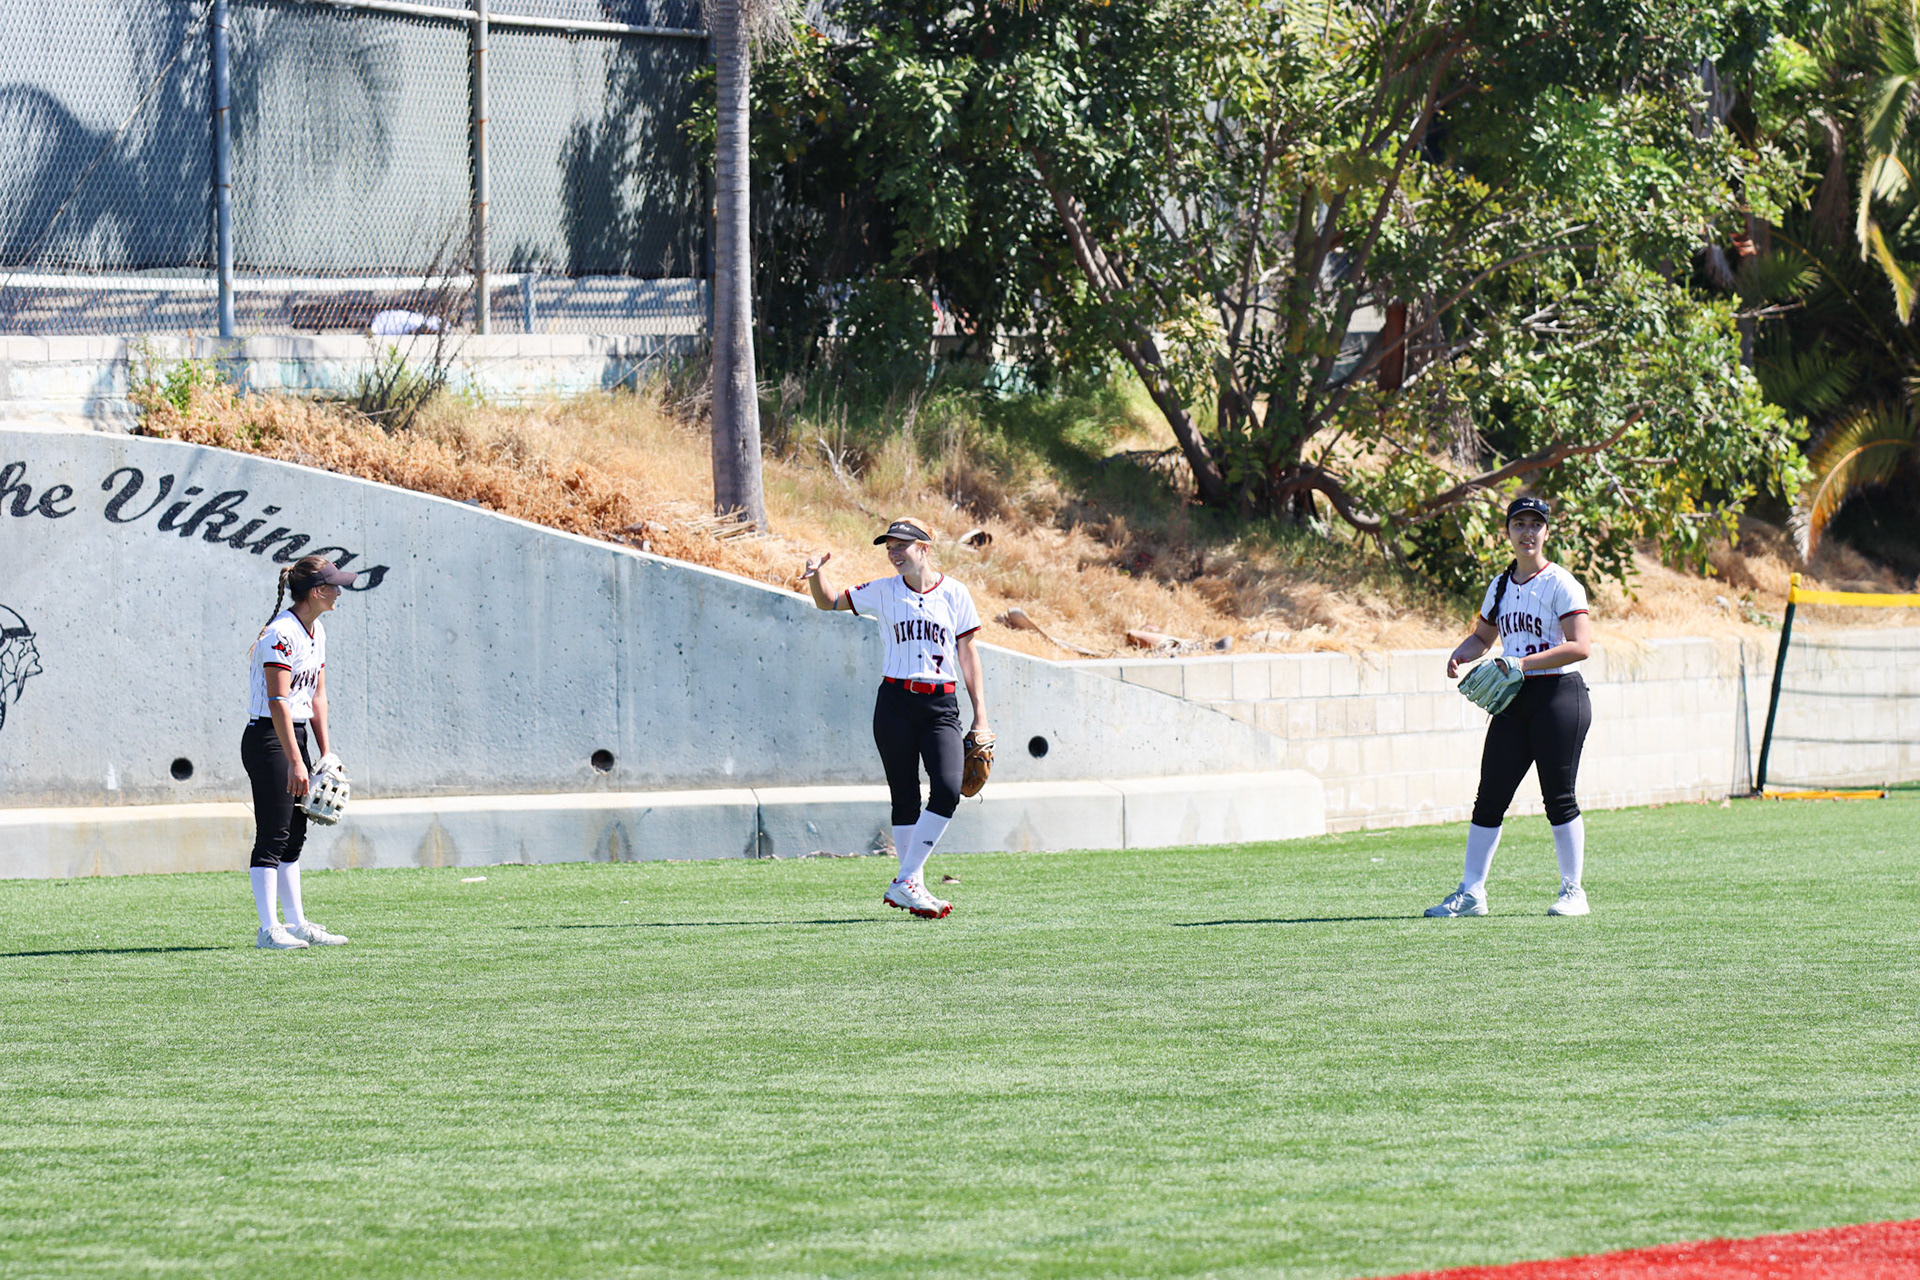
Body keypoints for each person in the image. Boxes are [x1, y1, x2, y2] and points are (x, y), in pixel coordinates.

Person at [803, 517, 991, 919]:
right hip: (895, 703)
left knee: (947, 790)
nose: (893, 552)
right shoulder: (883, 591)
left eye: (901, 545)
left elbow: (968, 654)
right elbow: (828, 601)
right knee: (904, 798)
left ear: (924, 548)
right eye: (889, 546)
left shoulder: (955, 593)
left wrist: (981, 717)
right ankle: (913, 886)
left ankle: (906, 880)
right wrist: (816, 574)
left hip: (941, 705)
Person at [1426, 496, 1595, 918]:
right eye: (1519, 524)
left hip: (1558, 696)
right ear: (1507, 532)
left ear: (1547, 532)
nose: (1527, 532)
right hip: (1514, 698)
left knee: (1558, 797)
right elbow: (1483, 638)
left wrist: (1520, 663)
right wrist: (1461, 653)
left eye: (1535, 524)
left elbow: (1580, 646)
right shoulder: (1500, 585)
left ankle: (1573, 892)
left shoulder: (1561, 583)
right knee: (1490, 796)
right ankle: (1472, 892)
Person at [243, 555, 357, 950]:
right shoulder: (281, 633)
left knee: (295, 835)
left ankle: (296, 924)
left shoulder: (316, 630)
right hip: (269, 737)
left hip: (295, 736)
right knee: (273, 834)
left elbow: (317, 696)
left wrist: (326, 753)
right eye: (333, 586)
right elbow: (277, 701)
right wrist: (294, 760)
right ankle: (268, 929)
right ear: (316, 591)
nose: (339, 592)